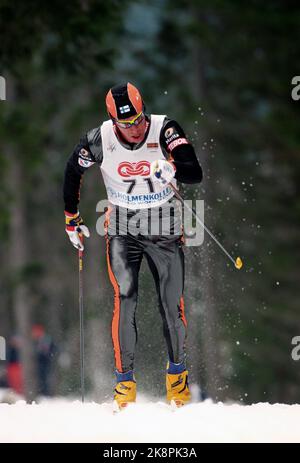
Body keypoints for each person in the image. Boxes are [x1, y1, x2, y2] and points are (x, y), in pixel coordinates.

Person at [63, 82, 203, 409]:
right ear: (114, 122)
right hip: (123, 225)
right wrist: (71, 218)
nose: (135, 128)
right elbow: (72, 171)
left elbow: (194, 173)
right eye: (126, 124)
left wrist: (171, 168)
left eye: (138, 119)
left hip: (164, 222)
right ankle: (124, 386)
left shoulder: (164, 127)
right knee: (125, 298)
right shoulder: (99, 139)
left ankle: (177, 382)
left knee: (171, 301)